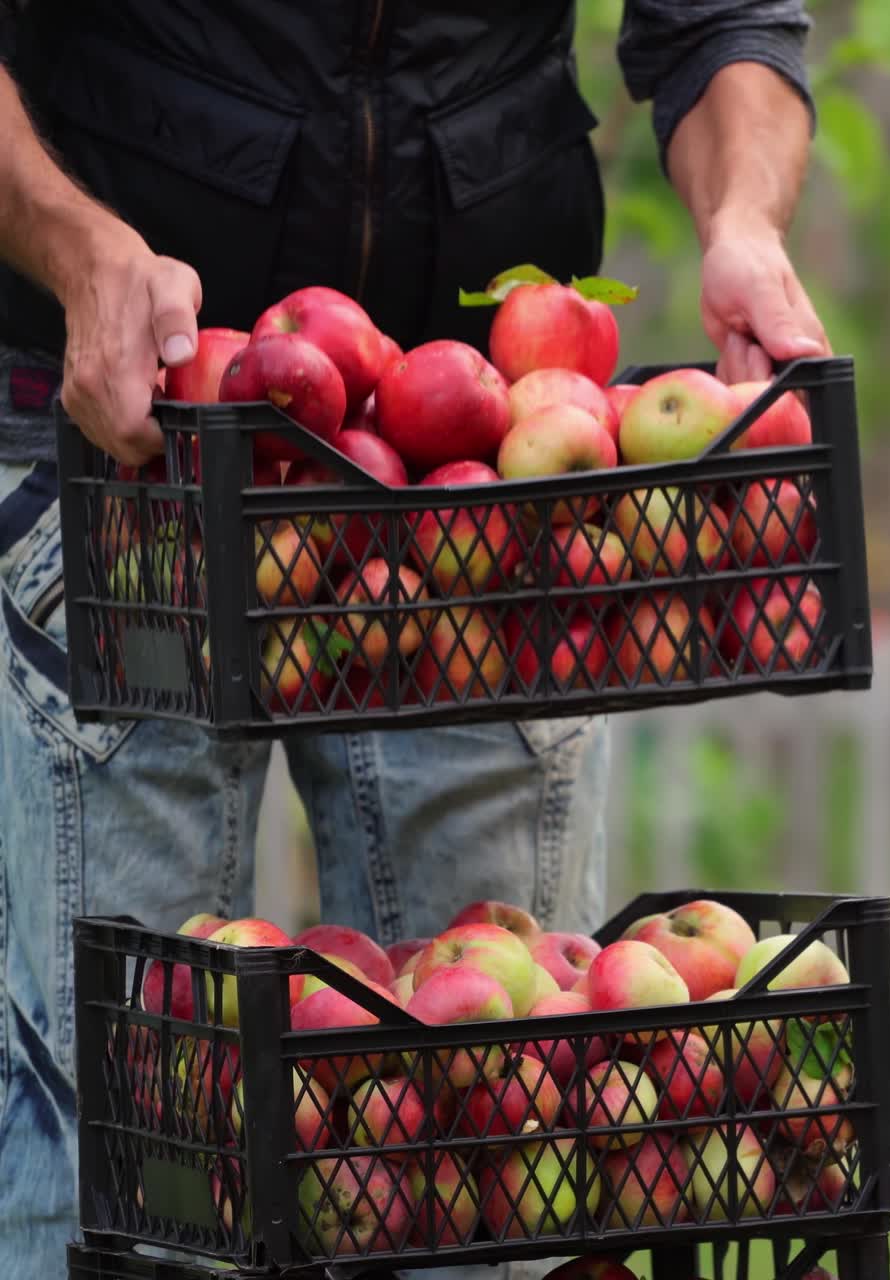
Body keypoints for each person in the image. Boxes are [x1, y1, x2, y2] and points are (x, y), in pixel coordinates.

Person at [0, 1, 830, 1273]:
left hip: (482, 472)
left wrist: (742, 223)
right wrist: (77, 246)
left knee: (499, 1148)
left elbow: (718, 17)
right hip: (123, 437)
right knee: (125, 1146)